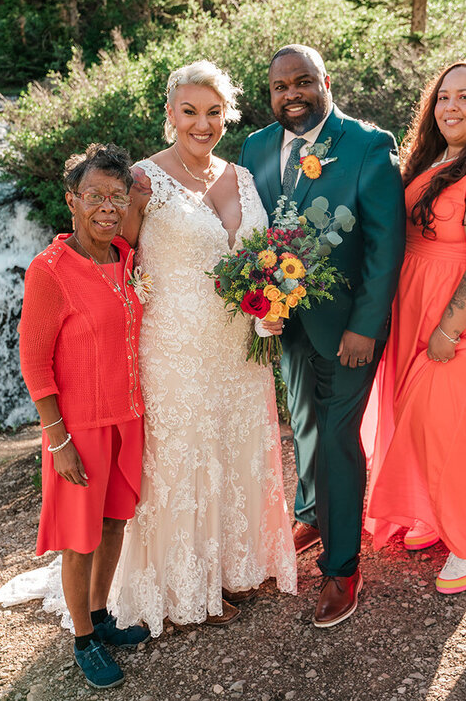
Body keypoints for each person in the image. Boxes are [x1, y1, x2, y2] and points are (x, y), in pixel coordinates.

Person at [108, 60, 296, 632]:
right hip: (175, 347)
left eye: (213, 112)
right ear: (169, 114)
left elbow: (258, 255)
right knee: (183, 457)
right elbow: (119, 260)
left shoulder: (240, 177)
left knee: (235, 446)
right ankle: (178, 587)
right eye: (189, 111)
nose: (202, 123)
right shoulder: (143, 180)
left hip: (238, 348)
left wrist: (275, 303)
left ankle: (232, 568)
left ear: (226, 115)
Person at [239, 44, 405, 628]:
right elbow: (252, 234)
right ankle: (312, 511)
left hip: (348, 330)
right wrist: (259, 300)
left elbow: (387, 245)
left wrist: (365, 326)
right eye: (280, 86)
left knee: (338, 436)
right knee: (303, 423)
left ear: (325, 82)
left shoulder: (366, 144)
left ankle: (342, 567)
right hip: (286, 324)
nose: (292, 95)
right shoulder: (255, 147)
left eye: (303, 82)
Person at [363, 60, 466, 594]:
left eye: (465, 97)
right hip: (417, 304)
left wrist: (448, 329)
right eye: (442, 98)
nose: (451, 107)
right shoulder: (437, 160)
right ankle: (433, 517)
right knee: (418, 421)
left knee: (456, 428)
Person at [17, 143, 151, 689]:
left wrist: (136, 189)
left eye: (115, 197)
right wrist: (57, 439)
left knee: (115, 521)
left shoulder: (123, 254)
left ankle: (100, 617)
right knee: (80, 537)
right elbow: (34, 359)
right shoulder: (50, 270)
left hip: (128, 416)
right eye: (94, 195)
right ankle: (81, 639)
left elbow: (139, 205)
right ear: (70, 201)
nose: (107, 207)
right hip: (79, 426)